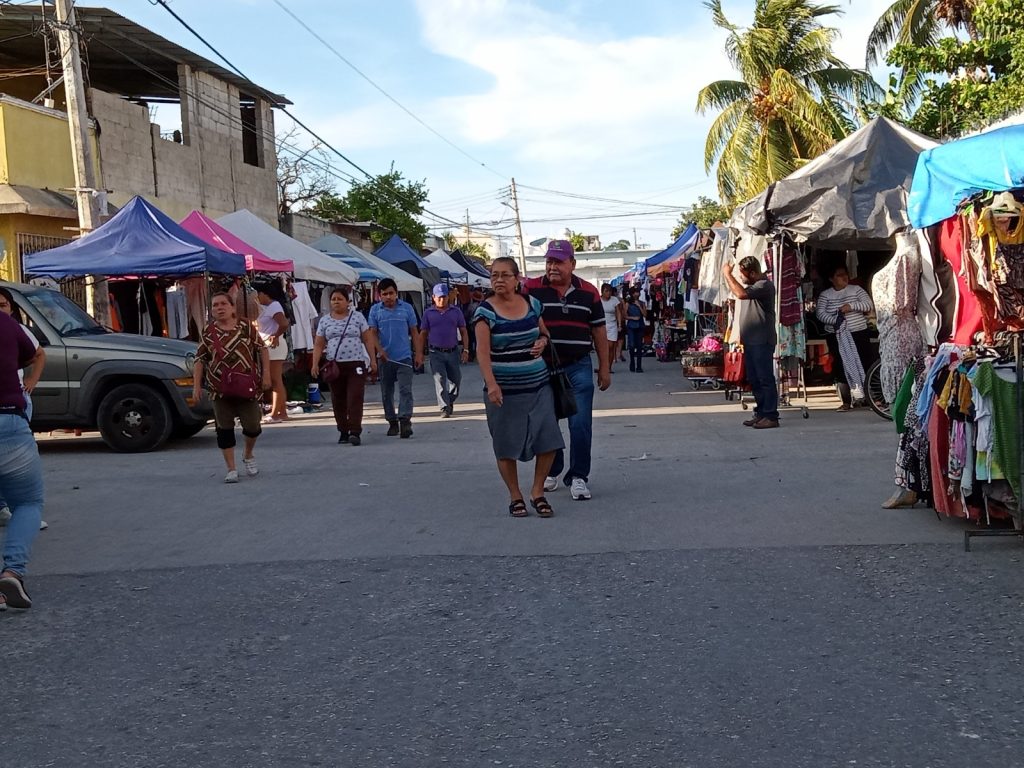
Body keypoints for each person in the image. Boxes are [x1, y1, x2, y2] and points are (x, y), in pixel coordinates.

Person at [474, 257, 562, 517]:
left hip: (538, 386)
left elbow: (544, 333)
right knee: (505, 444)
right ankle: (515, 496)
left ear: (517, 279)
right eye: (494, 276)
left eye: (504, 275)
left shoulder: (532, 304)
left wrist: (543, 342)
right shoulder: (484, 312)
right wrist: (491, 385)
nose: (499, 280)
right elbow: (482, 352)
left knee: (549, 440)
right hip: (503, 391)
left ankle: (537, 492)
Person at [523, 239, 611, 501]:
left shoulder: (589, 292)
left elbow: (599, 330)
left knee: (580, 423)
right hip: (542, 368)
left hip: (578, 366)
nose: (552, 267)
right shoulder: (531, 289)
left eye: (558, 262)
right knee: (546, 423)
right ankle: (553, 469)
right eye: (549, 261)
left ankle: (579, 477)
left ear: (572, 264)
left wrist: (604, 368)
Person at [193, 292, 271, 483]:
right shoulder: (209, 332)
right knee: (224, 429)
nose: (219, 308)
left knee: (253, 426)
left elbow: (262, 348)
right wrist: (196, 385)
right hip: (219, 388)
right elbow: (200, 358)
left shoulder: (246, 327)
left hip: (247, 385)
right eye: (215, 305)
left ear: (233, 307)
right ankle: (231, 468)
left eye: (223, 304)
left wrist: (267, 374)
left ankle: (248, 453)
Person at [0, 309, 46, 610]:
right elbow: (35, 354)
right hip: (9, 422)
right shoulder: (5, 322)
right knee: (27, 503)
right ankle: (12, 572)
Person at [311, 286, 377, 445]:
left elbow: (368, 339)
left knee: (355, 397)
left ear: (348, 302)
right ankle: (343, 430)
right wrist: (314, 364)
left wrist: (373, 360)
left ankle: (355, 431)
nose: (336, 302)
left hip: (355, 363)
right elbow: (319, 344)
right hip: (334, 366)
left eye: (339, 299)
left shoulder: (358, 317)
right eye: (333, 299)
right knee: (338, 398)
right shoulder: (325, 320)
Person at [722, 256, 779, 429]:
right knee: (754, 379)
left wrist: (727, 274)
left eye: (743, 274)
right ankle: (761, 413)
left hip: (762, 340)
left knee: (765, 378)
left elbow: (740, 294)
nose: (741, 277)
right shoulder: (753, 287)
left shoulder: (764, 285)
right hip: (751, 341)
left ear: (753, 273)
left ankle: (771, 415)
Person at [368, 277, 422, 438]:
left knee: (405, 390)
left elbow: (414, 331)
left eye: (391, 293)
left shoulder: (407, 309)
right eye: (385, 294)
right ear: (380, 296)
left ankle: (405, 421)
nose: (388, 297)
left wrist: (418, 353)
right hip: (385, 359)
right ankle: (392, 421)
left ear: (396, 293)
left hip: (404, 357)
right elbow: (372, 333)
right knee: (386, 392)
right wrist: (379, 351)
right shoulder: (375, 311)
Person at [815, 265, 874, 411]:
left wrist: (851, 306)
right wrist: (836, 321)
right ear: (831, 279)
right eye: (839, 275)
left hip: (859, 332)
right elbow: (820, 314)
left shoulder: (857, 290)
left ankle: (870, 398)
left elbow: (868, 305)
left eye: (845, 274)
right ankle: (846, 401)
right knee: (841, 366)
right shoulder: (825, 295)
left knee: (865, 363)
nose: (844, 277)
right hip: (837, 335)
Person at [420, 283, 469, 417]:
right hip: (435, 352)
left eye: (445, 297)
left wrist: (466, 350)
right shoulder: (428, 313)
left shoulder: (456, 312)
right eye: (439, 297)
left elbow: (464, 331)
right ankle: (444, 407)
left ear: (448, 297)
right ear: (434, 298)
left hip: (452, 351)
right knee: (440, 379)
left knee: (456, 380)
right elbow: (423, 333)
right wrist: (419, 352)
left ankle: (449, 399)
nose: (442, 300)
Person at [253, 280, 291, 423]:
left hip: (273, 346)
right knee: (277, 380)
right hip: (268, 346)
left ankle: (276, 413)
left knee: (275, 380)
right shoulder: (263, 307)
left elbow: (284, 323)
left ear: (263, 293)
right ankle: (282, 412)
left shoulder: (273, 306)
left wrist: (275, 335)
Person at [600, 284, 624, 373]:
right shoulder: (598, 301)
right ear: (602, 292)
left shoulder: (614, 300)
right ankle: (603, 366)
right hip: (602, 325)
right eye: (606, 291)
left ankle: (609, 367)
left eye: (609, 291)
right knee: (603, 347)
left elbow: (618, 313)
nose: (608, 293)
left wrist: (620, 325)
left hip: (612, 325)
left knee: (611, 346)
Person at [624, 288, 647, 373]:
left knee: (639, 346)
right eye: (635, 293)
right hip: (631, 326)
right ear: (632, 294)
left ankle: (639, 366)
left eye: (638, 292)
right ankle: (632, 362)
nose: (637, 294)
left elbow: (645, 315)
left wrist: (639, 306)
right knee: (632, 345)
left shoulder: (642, 303)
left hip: (640, 326)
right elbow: (625, 315)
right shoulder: (628, 304)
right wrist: (632, 318)